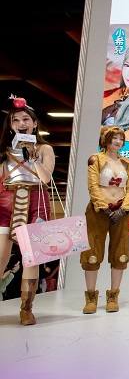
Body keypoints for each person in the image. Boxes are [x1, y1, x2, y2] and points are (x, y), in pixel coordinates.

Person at [0, 95, 54, 325]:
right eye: (16, 120)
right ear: (10, 125)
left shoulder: (44, 148)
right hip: (6, 202)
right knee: (1, 256)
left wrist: (34, 157)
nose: (21, 123)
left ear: (34, 124)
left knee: (31, 258)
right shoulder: (3, 150)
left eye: (25, 119)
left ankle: (26, 308)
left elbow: (46, 178)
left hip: (35, 202)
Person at [80, 126, 129, 314]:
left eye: (121, 139)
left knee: (120, 252)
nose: (118, 142)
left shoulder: (128, 163)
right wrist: (104, 207)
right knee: (92, 251)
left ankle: (113, 296)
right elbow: (93, 185)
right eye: (115, 138)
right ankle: (90, 297)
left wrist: (124, 209)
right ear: (106, 140)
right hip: (98, 211)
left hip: (121, 211)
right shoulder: (95, 159)